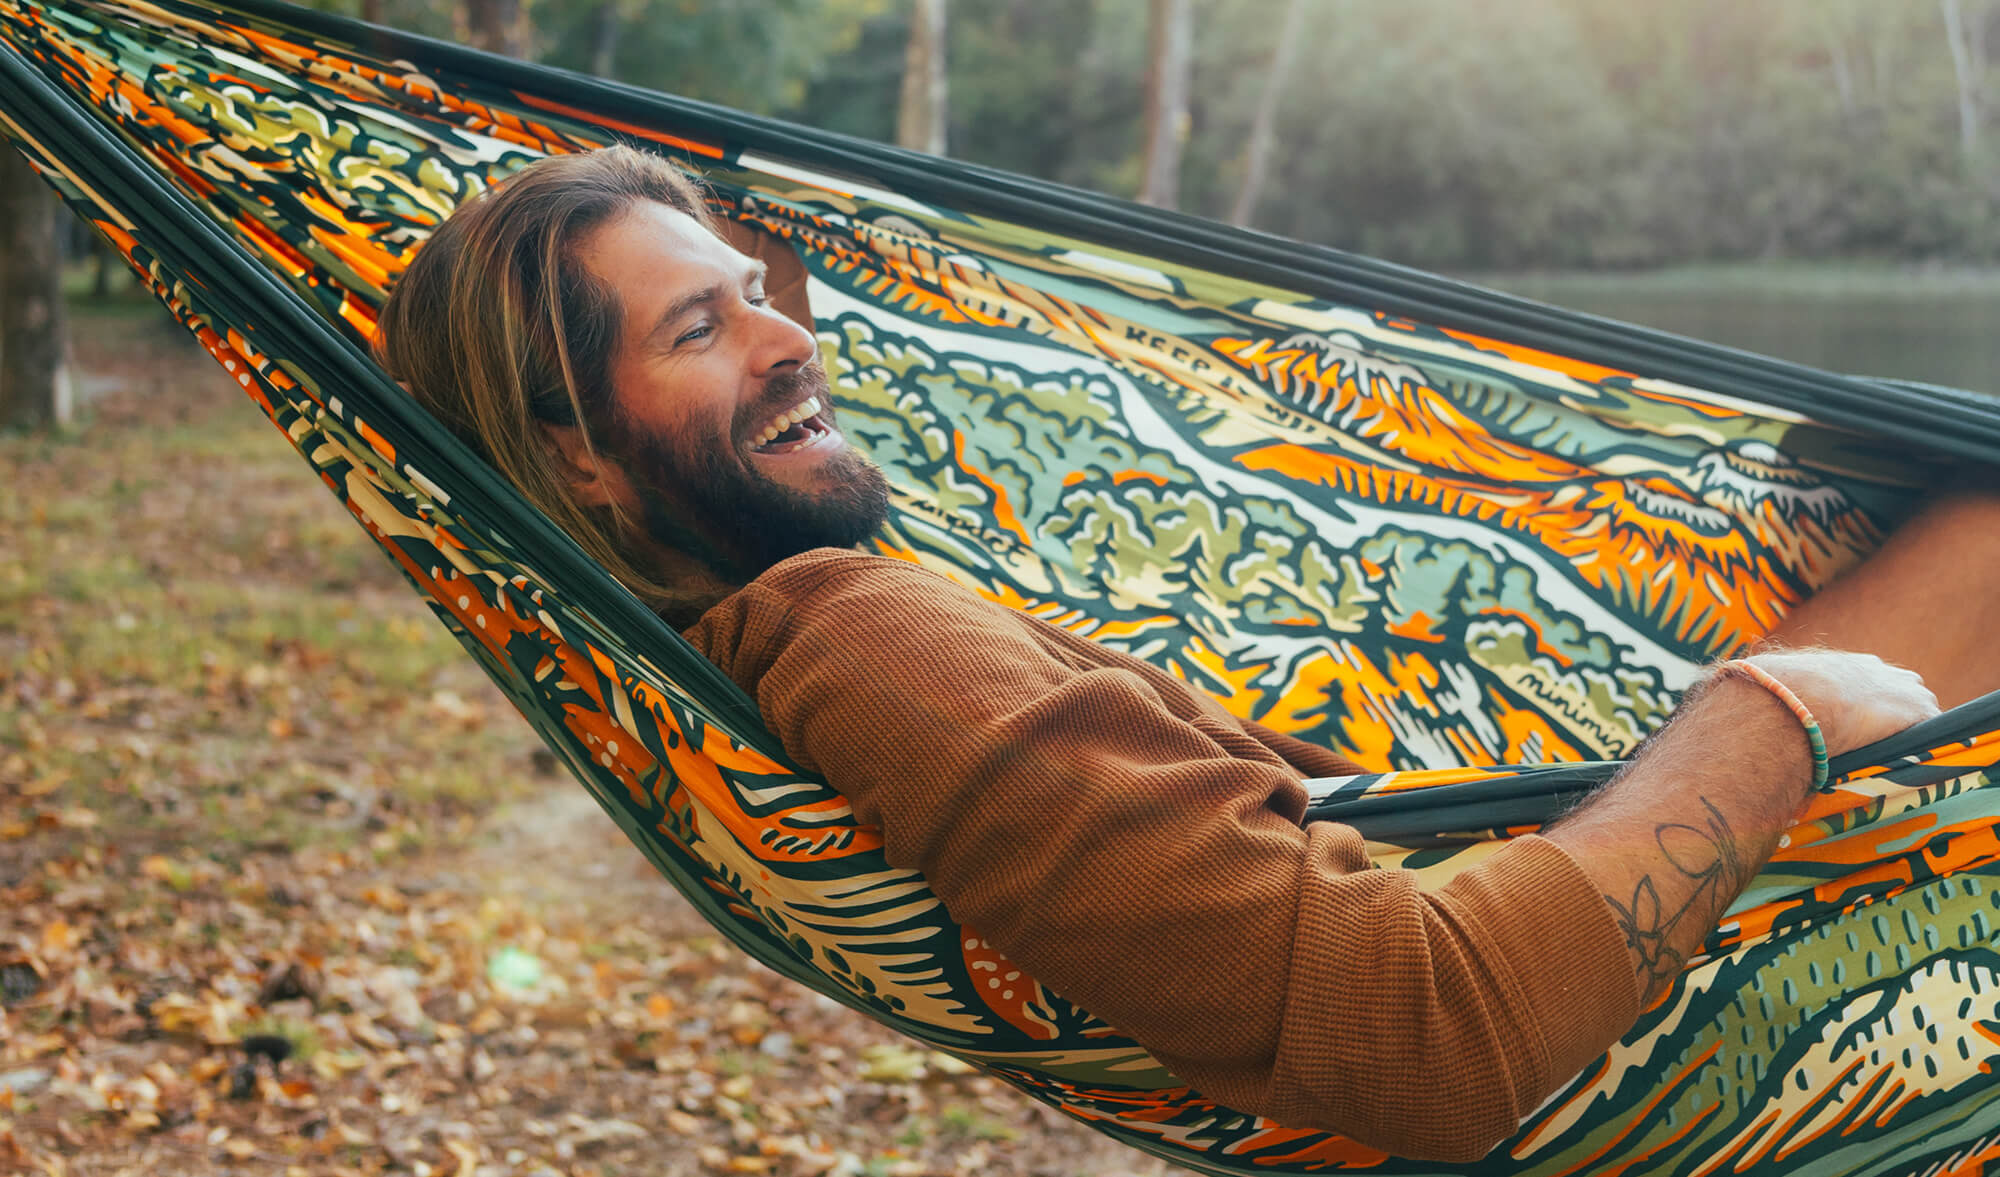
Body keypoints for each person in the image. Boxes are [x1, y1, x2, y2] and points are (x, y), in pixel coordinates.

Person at [374, 146, 1971, 1162]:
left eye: (755, 294)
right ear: (577, 458)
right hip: (1610, 1029)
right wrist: (1771, 711)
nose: (795, 338)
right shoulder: (859, 640)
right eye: (698, 331)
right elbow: (1422, 1036)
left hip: (1531, 882)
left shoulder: (782, 624)